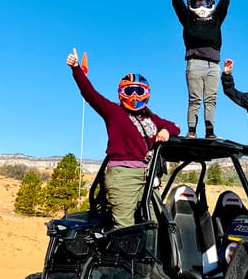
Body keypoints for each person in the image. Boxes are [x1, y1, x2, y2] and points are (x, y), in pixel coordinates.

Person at [67, 48, 180, 228]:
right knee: (125, 228)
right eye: (130, 91)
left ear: (147, 93)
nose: (134, 96)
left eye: (138, 90)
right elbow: (90, 94)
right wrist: (76, 69)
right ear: (121, 93)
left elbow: (175, 126)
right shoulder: (113, 112)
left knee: (156, 224)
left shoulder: (151, 117)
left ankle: (152, 256)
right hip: (123, 175)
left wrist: (166, 131)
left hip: (148, 176)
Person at [166, 0, 232, 139]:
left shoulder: (216, 18)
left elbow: (225, 3)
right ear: (190, 5)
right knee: (195, 99)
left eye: (204, 2)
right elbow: (177, 3)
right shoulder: (188, 19)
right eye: (196, 3)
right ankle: (192, 132)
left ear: (211, 4)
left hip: (214, 65)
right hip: (194, 64)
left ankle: (210, 132)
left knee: (211, 99)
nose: (201, 7)